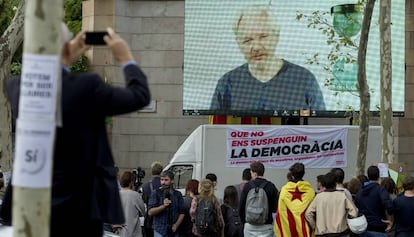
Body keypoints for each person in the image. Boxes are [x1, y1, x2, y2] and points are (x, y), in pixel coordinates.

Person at [1, 25, 150, 237]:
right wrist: (125, 56)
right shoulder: (86, 86)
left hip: (30, 205)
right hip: (79, 208)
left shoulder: (17, 87)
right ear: (64, 47)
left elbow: (50, 84)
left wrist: (63, 57)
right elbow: (139, 95)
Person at [210, 4, 325, 111]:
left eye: (263, 37)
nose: (256, 47)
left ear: (276, 36)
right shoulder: (227, 83)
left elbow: (321, 127)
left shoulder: (303, 79)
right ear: (238, 44)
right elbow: (214, 129)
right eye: (247, 40)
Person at [305, 172, 358, 237]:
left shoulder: (318, 197)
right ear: (335, 183)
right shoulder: (342, 196)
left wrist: (315, 226)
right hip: (341, 232)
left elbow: (308, 214)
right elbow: (354, 212)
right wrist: (347, 222)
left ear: (324, 184)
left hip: (323, 233)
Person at [274, 162, 315, 237]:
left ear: (292, 175)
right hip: (304, 229)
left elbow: (280, 210)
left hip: (288, 229)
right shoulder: (310, 191)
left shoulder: (284, 190)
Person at [239, 161, 278, 237]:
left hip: (250, 226)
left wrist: (245, 222)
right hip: (266, 226)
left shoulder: (247, 186)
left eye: (251, 173)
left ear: (255, 173)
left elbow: (241, 207)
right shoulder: (271, 186)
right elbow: (275, 208)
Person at [354, 166, 394, 237]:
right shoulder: (380, 190)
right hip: (378, 227)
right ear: (378, 176)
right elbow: (389, 205)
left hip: (364, 228)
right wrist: (390, 220)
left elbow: (356, 209)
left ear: (368, 176)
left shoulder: (360, 192)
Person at [148, 170, 185, 237]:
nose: (163, 182)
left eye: (166, 180)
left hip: (174, 231)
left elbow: (182, 212)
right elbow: (150, 212)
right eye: (161, 180)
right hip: (160, 230)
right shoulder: (156, 193)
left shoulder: (177, 194)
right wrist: (163, 206)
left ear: (172, 181)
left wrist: (176, 224)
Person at [116, 171, 145, 237]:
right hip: (134, 232)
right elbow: (143, 211)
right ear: (131, 182)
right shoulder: (135, 195)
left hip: (120, 232)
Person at [142, 161, 164, 237]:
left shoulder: (145, 186)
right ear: (161, 172)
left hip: (149, 219)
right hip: (162, 218)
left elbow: (144, 200)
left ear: (152, 172)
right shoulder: (165, 184)